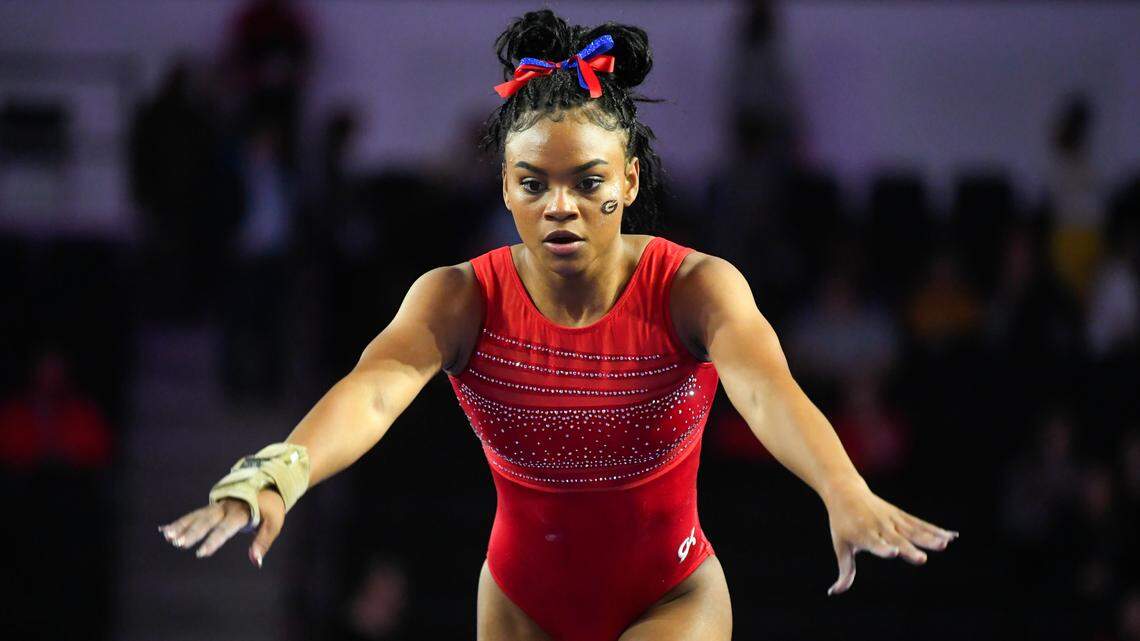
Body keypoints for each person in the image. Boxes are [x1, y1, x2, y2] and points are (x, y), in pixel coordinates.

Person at [158, 10, 958, 640]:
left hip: (672, 595)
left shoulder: (694, 288)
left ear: (631, 179)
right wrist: (278, 473)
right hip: (519, 607)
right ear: (504, 186)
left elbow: (767, 389)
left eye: (588, 180)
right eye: (534, 182)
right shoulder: (459, 298)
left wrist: (842, 485)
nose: (561, 206)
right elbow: (372, 392)